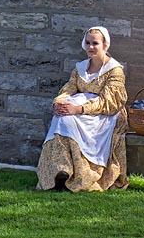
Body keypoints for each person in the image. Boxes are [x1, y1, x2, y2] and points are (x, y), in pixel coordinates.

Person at [36, 26, 129, 192]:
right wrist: (60, 102)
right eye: (88, 43)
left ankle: (82, 175)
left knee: (69, 121)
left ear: (105, 45)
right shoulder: (80, 68)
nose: (91, 47)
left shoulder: (114, 70)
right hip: (78, 108)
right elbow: (69, 87)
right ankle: (60, 171)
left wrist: (79, 109)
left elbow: (110, 101)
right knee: (62, 119)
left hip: (104, 113)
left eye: (95, 43)